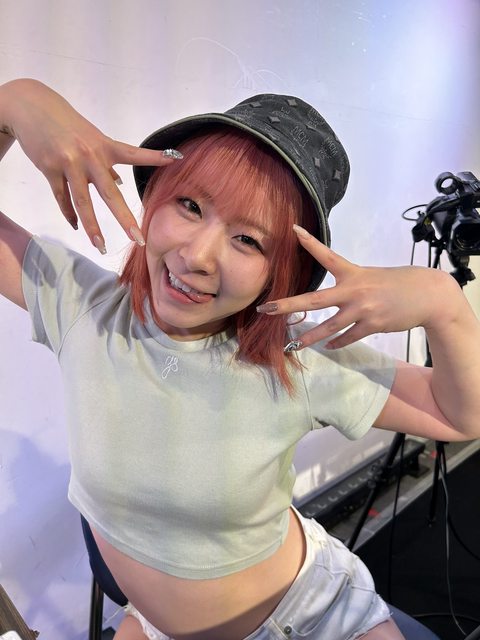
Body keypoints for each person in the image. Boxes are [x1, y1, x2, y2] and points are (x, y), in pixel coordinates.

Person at [1, 78, 479, 640]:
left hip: (307, 616)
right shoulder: (84, 306)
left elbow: (460, 417)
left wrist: (446, 306)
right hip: (155, 624)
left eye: (249, 240)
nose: (198, 256)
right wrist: (14, 102)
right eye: (190, 205)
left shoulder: (296, 358)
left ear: (284, 272)